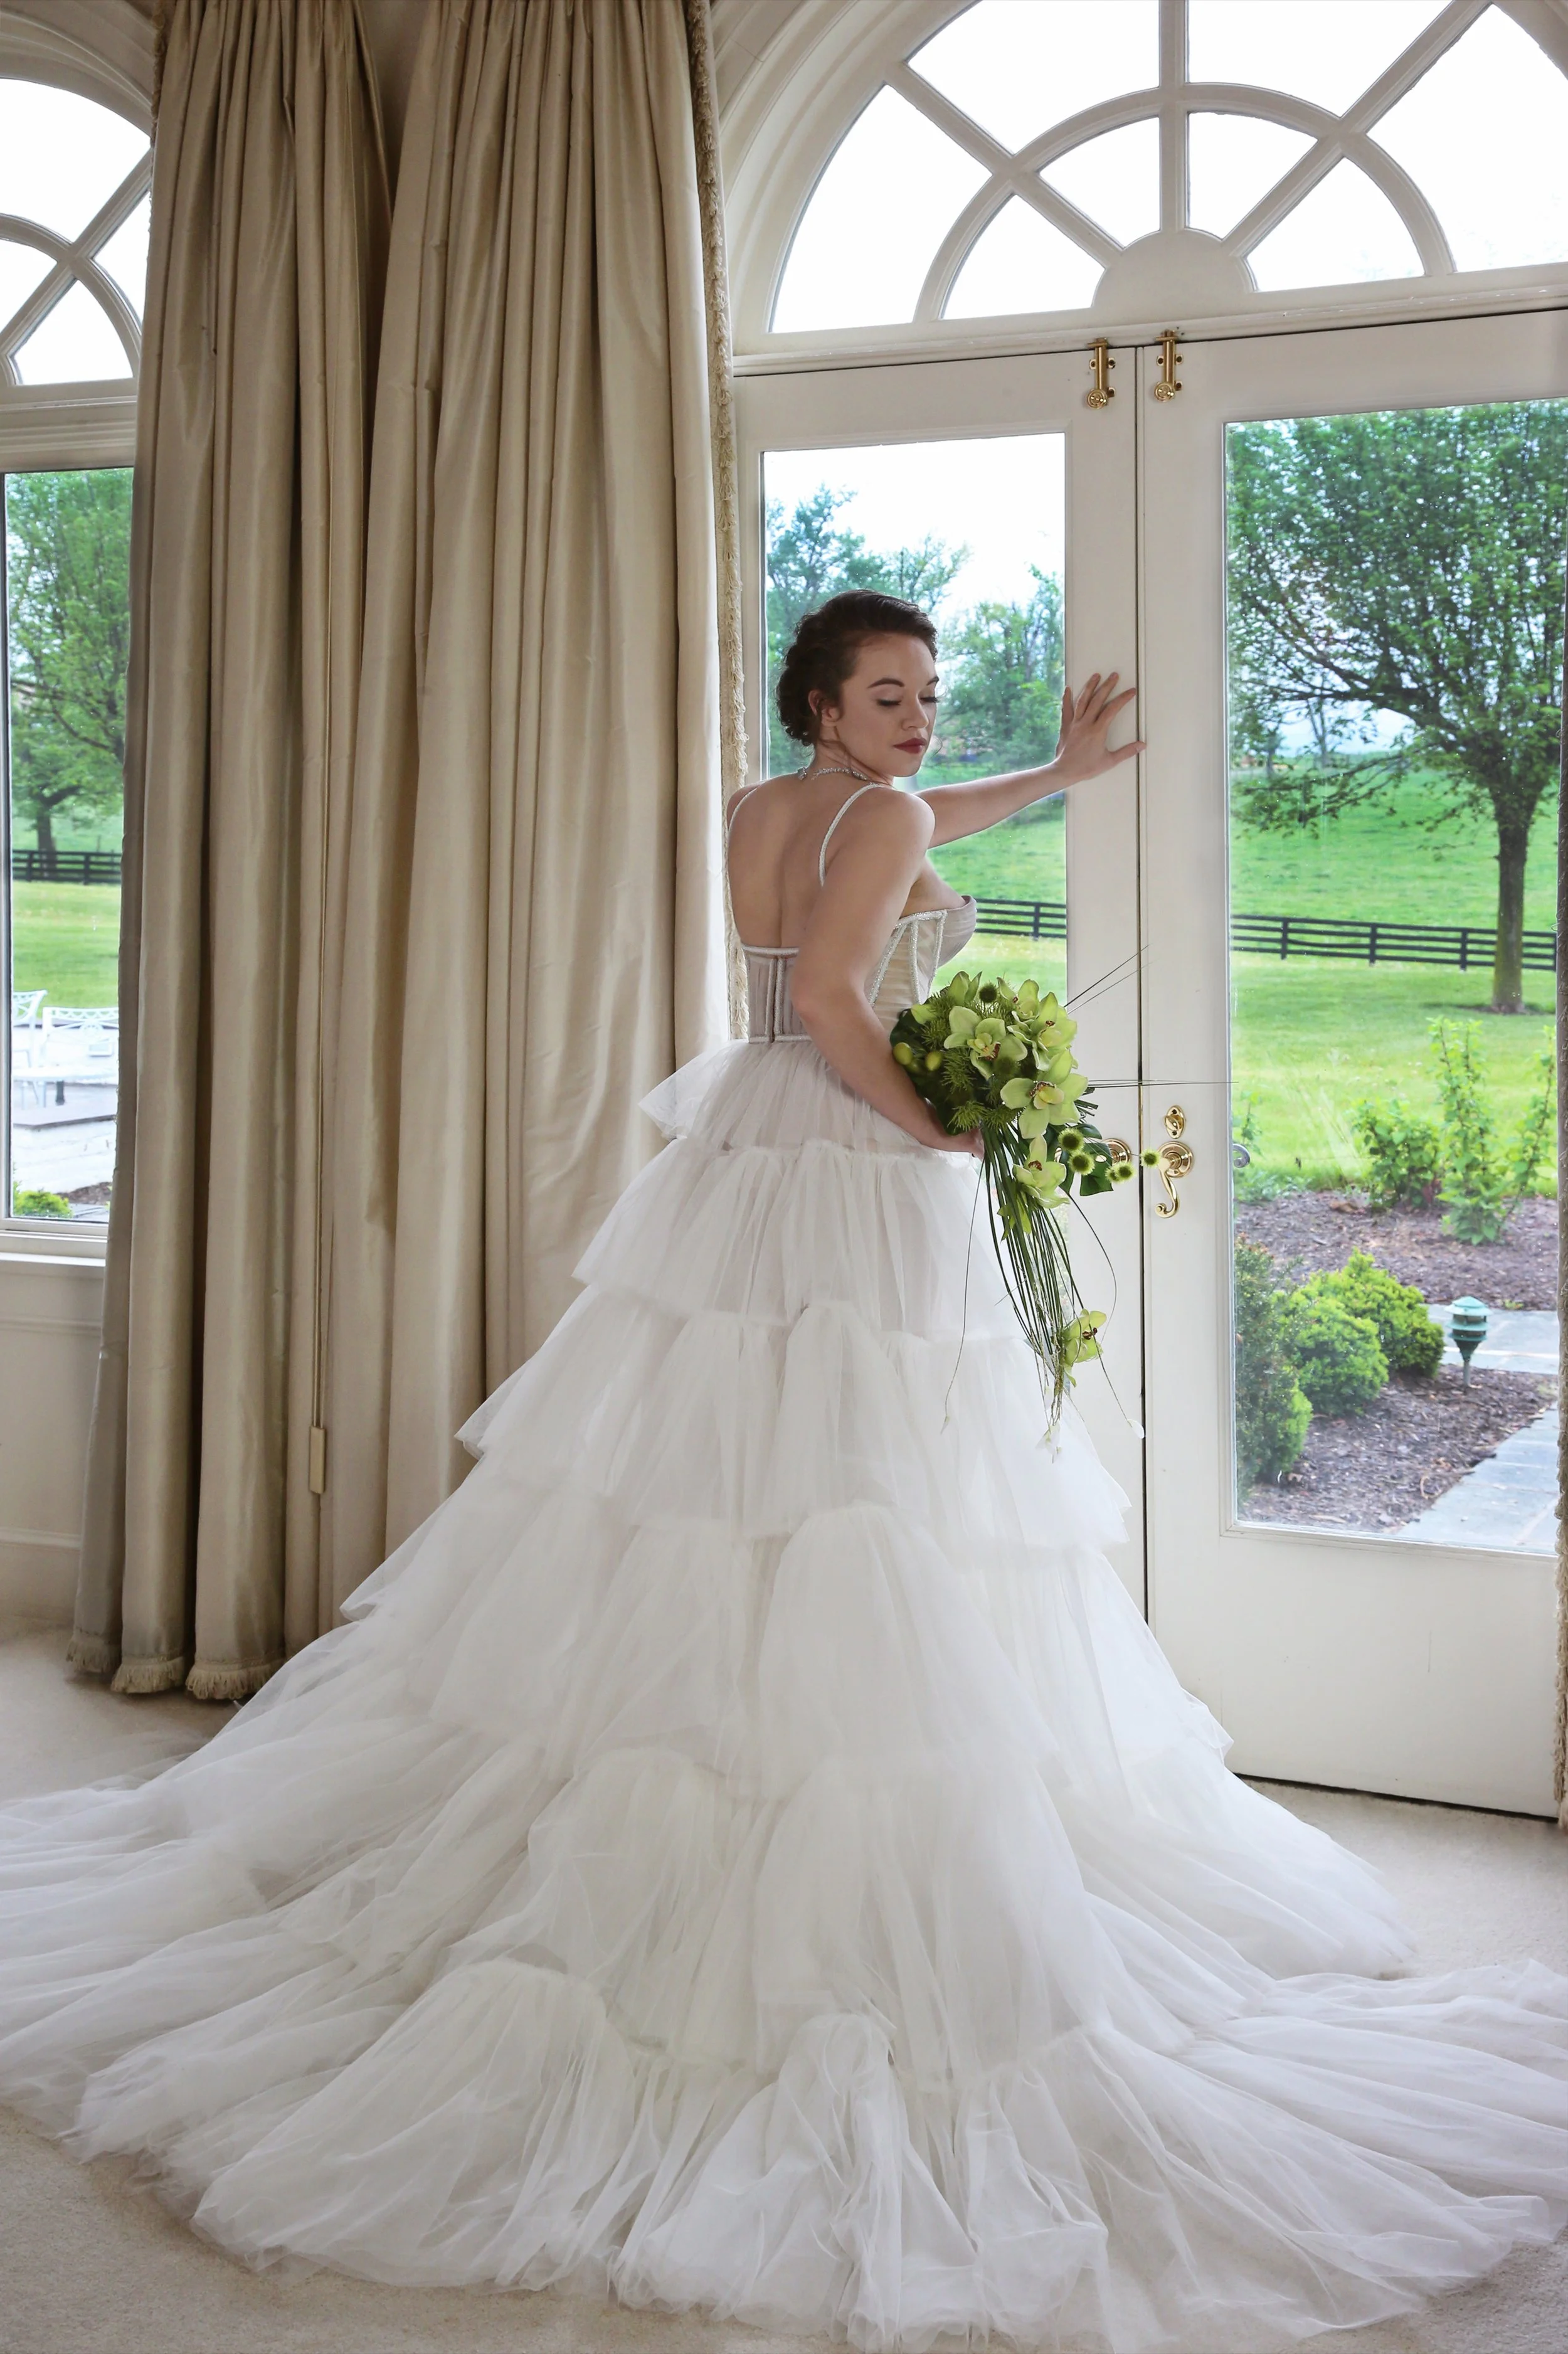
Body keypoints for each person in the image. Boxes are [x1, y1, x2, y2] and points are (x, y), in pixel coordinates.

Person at [0, 589, 1563, 2352]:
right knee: (866, 1500)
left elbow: (865, 873)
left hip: (742, 1152)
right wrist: (947, 1124)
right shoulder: (870, 811)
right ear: (827, 705)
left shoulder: (766, 803)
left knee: (696, 1496)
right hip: (847, 1164)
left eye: (925, 694)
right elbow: (840, 986)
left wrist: (1043, 773)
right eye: (888, 696)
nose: (917, 719)